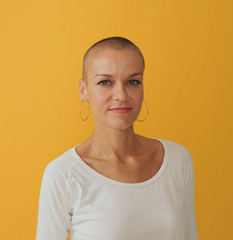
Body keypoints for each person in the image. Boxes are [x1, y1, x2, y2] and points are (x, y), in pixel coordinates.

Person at [35, 36, 198, 240]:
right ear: (83, 90)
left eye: (133, 81)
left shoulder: (177, 160)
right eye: (105, 82)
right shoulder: (63, 175)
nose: (121, 94)